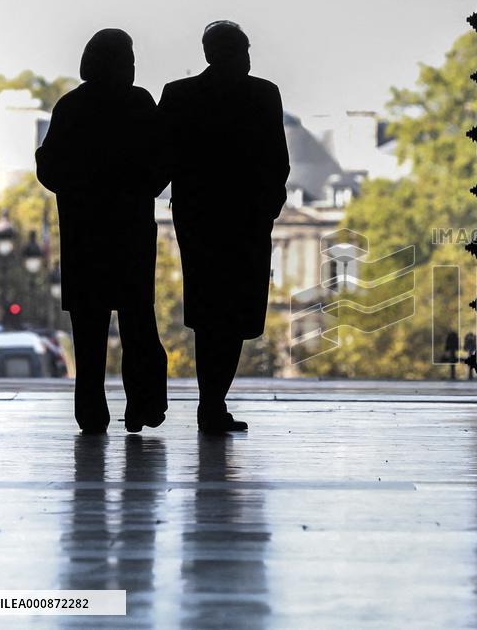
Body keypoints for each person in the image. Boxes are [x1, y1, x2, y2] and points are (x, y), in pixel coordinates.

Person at [158, 21, 289, 433]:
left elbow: (161, 158)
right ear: (240, 52)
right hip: (246, 218)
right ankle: (213, 402)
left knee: (207, 308)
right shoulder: (264, 95)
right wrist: (267, 207)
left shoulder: (178, 95)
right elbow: (277, 160)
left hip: (198, 217)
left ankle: (210, 402)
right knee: (236, 312)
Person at [36, 28, 169, 434]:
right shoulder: (139, 102)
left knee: (89, 330)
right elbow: (162, 160)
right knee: (137, 321)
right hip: (130, 231)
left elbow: (51, 167)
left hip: (84, 234)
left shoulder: (70, 106)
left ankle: (91, 411)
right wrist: (137, 189)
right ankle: (142, 405)